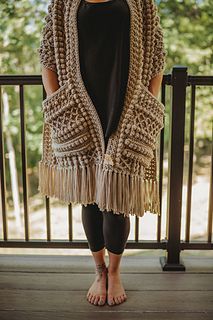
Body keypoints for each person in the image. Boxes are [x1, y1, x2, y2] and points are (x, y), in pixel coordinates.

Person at [39, 0, 165, 307]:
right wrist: (59, 104)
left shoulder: (141, 2)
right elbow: (48, 58)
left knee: (117, 200)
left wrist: (148, 101)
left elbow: (156, 57)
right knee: (91, 198)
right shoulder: (63, 3)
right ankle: (99, 271)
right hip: (79, 111)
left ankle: (116, 272)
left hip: (126, 110)